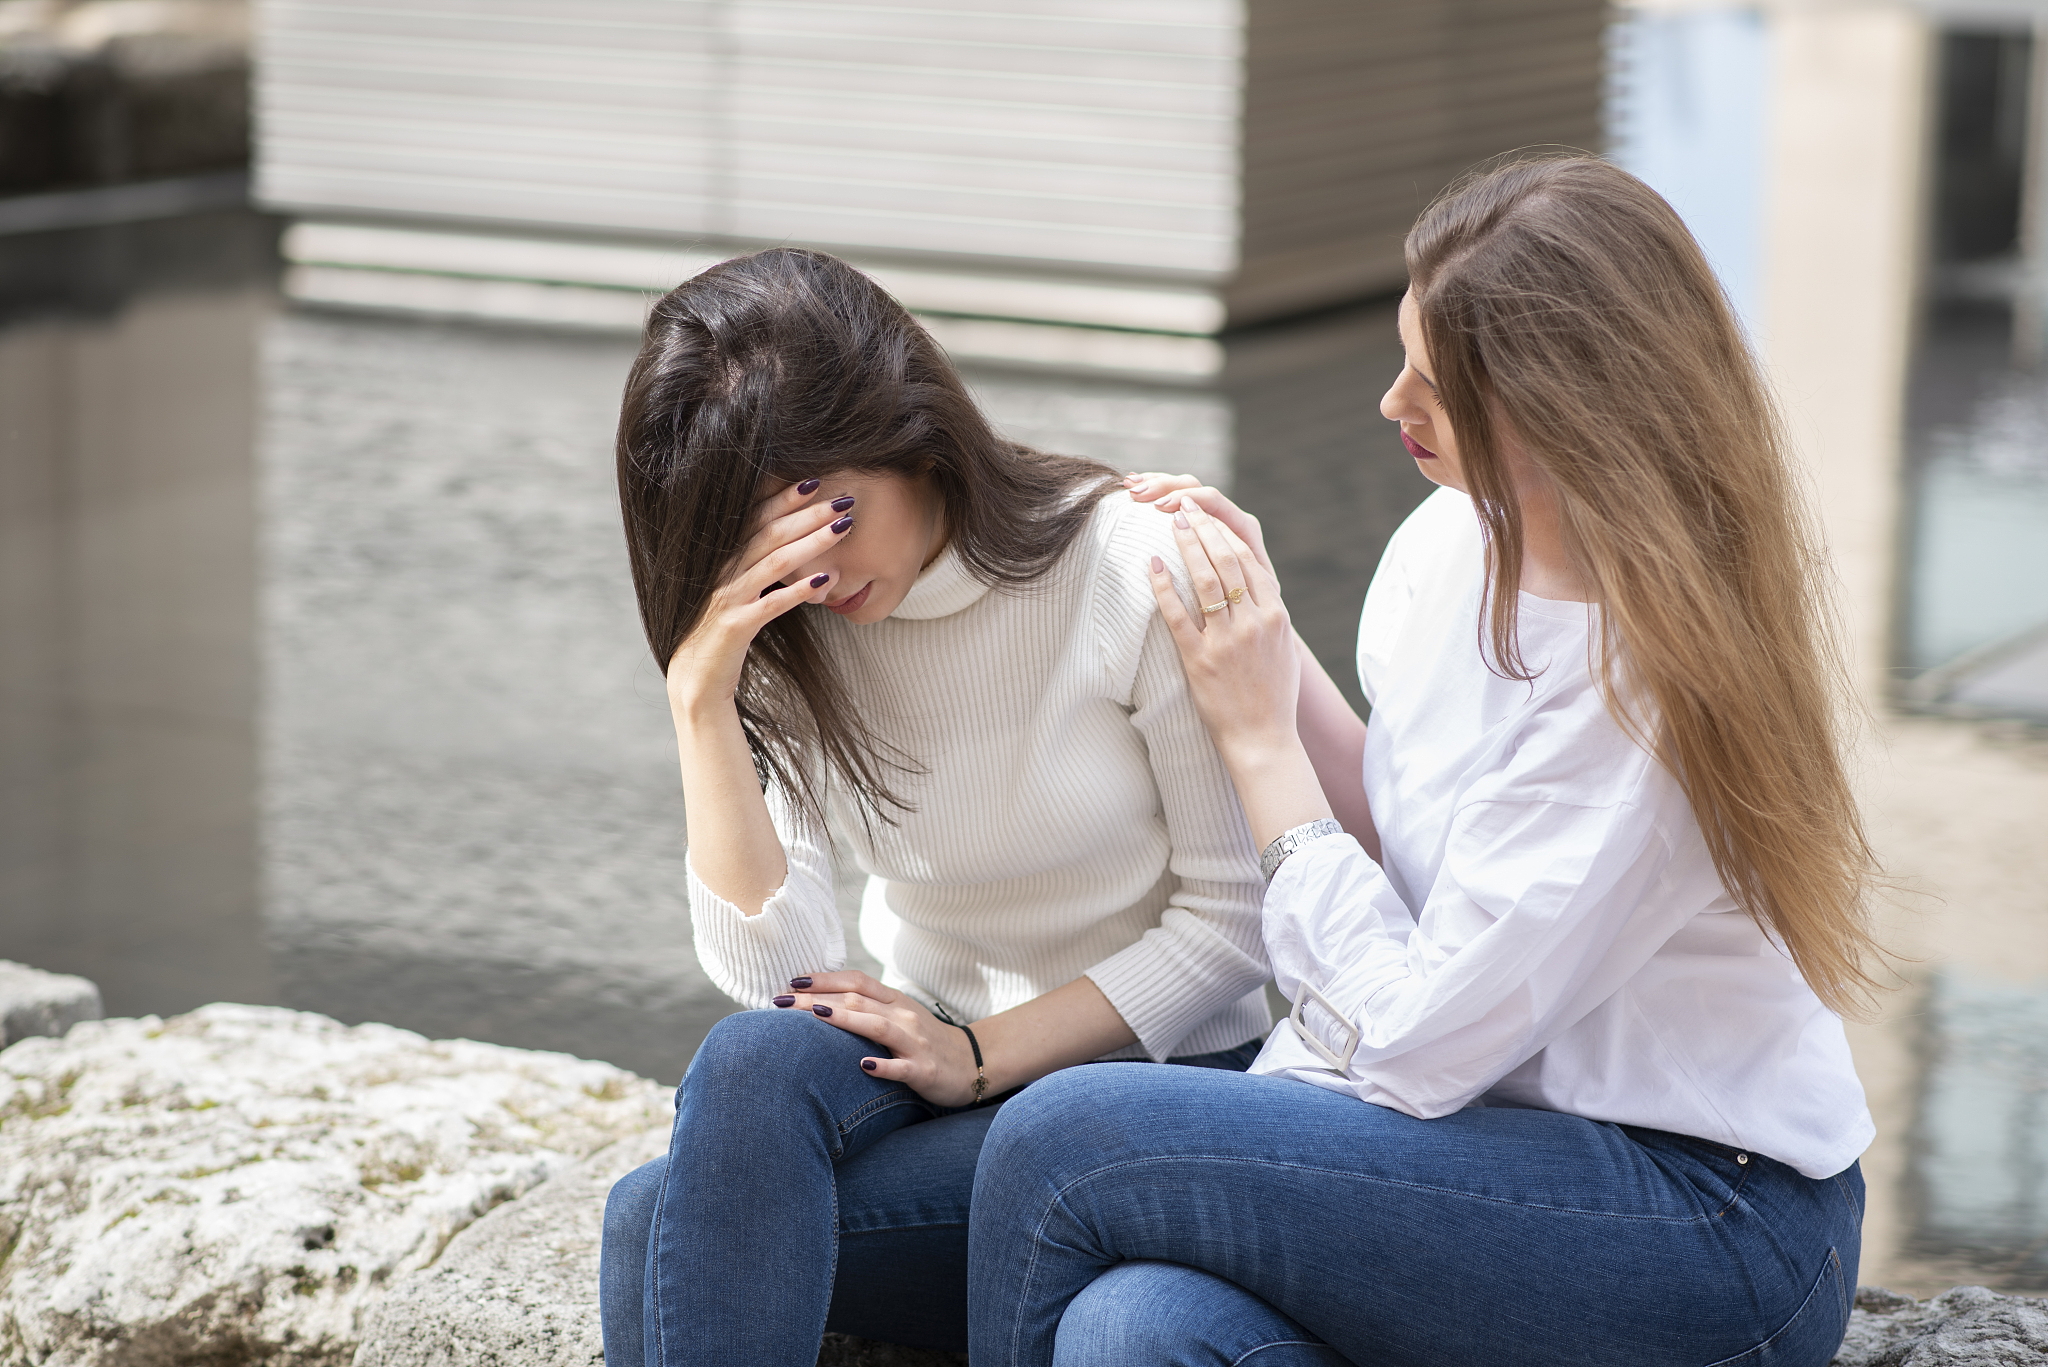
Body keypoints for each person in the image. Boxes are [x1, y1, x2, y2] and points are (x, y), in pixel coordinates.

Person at [965, 155, 1882, 1367]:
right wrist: (1264, 633)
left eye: (1437, 385)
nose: (1392, 403)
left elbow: (1406, 1041)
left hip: (1699, 1218)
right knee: (1136, 1328)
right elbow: (1403, 832)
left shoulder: (1648, 684)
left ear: (1567, 407)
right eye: (1403, 357)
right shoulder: (1453, 537)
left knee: (1064, 1134)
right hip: (1470, 1163)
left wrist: (1252, 735)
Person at [597, 247, 1293, 1364]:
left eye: (834, 518)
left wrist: (978, 1050)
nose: (816, 577)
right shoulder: (796, 626)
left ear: (910, 431)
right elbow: (779, 970)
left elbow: (1234, 922)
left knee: (647, 1223)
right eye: (774, 547)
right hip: (921, 1070)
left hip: (1147, 1089)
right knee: (746, 1059)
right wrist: (702, 702)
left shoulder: (1127, 565)